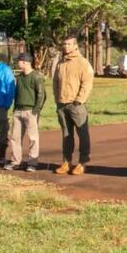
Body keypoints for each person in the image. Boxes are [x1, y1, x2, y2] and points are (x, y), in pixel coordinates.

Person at [52, 36, 95, 176]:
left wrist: (79, 100)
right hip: (62, 104)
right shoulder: (61, 63)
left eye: (69, 44)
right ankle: (66, 161)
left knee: (82, 134)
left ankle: (82, 163)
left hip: (76, 105)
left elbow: (87, 83)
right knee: (66, 134)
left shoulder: (82, 62)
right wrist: (57, 99)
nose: (66, 46)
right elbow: (55, 83)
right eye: (64, 44)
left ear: (75, 46)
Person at [6, 52, 46, 171]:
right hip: (18, 110)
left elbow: (41, 95)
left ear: (25, 62)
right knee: (15, 137)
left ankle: (32, 163)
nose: (18, 63)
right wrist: (14, 109)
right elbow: (16, 93)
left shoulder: (37, 76)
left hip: (31, 111)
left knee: (33, 137)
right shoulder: (19, 77)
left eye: (19, 61)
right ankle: (15, 161)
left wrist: (36, 110)